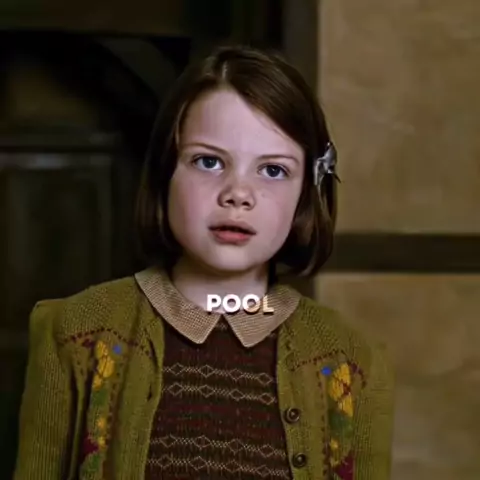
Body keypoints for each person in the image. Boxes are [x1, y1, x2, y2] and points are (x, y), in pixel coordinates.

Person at [14, 45, 394, 480]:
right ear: (166, 173)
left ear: (306, 194)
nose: (238, 194)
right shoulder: (75, 333)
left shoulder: (352, 361)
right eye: (209, 161)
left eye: (273, 170)